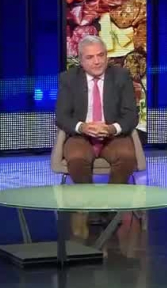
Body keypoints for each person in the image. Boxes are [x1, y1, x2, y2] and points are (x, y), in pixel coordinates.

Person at [55, 35, 139, 184]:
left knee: (126, 156)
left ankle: (116, 197)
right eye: (90, 57)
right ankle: (87, 198)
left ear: (107, 56)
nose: (97, 61)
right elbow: (62, 116)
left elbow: (131, 114)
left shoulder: (121, 76)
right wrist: (82, 127)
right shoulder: (68, 79)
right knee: (77, 158)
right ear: (81, 60)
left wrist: (111, 129)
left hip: (114, 136)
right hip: (80, 136)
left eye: (101, 55)